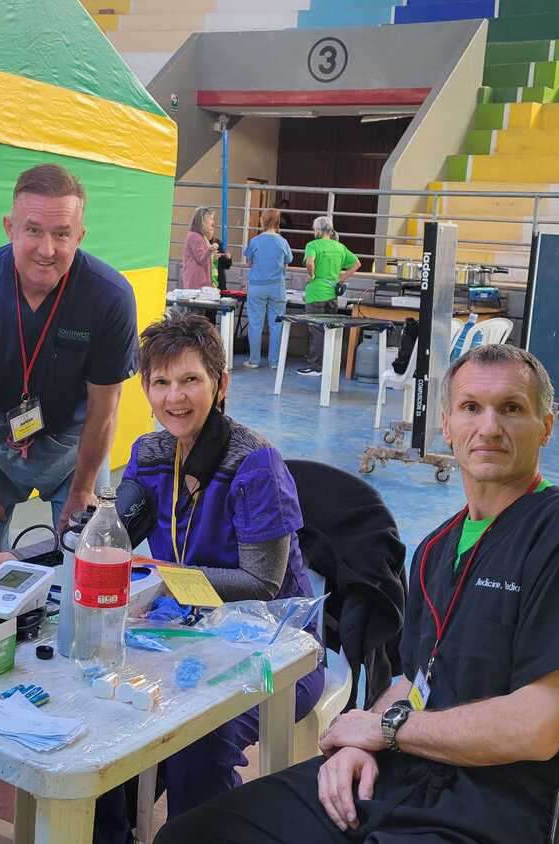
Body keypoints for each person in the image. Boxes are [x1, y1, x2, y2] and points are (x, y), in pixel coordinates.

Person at [156, 343, 559, 844]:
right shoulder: (437, 547)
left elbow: (536, 728)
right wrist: (358, 740)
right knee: (190, 836)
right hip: (407, 774)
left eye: (512, 408)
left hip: (504, 806)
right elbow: (417, 679)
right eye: (471, 407)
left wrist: (385, 731)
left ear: (546, 426)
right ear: (446, 426)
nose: (489, 427)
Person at [92, 310, 327, 843]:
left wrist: (163, 577)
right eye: (160, 382)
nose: (174, 397)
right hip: (188, 635)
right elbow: (111, 539)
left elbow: (262, 584)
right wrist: (23, 558)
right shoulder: (148, 454)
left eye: (190, 380)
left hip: (278, 648)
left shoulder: (255, 463)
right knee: (107, 706)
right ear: (146, 390)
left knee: (198, 738)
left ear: (220, 384)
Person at [0, 164, 138, 553]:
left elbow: (105, 409)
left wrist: (82, 489)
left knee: (87, 553)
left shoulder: (110, 297)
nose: (47, 250)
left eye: (61, 234)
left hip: (76, 443)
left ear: (79, 236)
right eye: (33, 230)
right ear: (10, 228)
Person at [298, 216, 361, 376]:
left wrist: (311, 276)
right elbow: (357, 263)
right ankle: (328, 365)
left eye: (314, 228)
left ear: (318, 230)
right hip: (332, 295)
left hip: (316, 293)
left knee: (316, 330)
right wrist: (341, 278)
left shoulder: (313, 245)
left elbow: (310, 263)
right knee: (329, 330)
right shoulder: (340, 247)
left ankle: (315, 367)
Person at [241, 207, 293, 369]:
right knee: (276, 325)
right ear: (278, 222)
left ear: (262, 221)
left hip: (257, 287)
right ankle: (275, 362)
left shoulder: (255, 241)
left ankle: (254, 360)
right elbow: (286, 263)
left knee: (255, 324)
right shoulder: (283, 242)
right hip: (277, 287)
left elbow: (249, 263)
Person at [182, 205, 229, 291]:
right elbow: (201, 260)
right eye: (210, 219)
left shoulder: (201, 237)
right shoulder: (195, 237)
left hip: (202, 284)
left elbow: (206, 260)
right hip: (196, 285)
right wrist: (210, 249)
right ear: (202, 221)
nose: (213, 222)